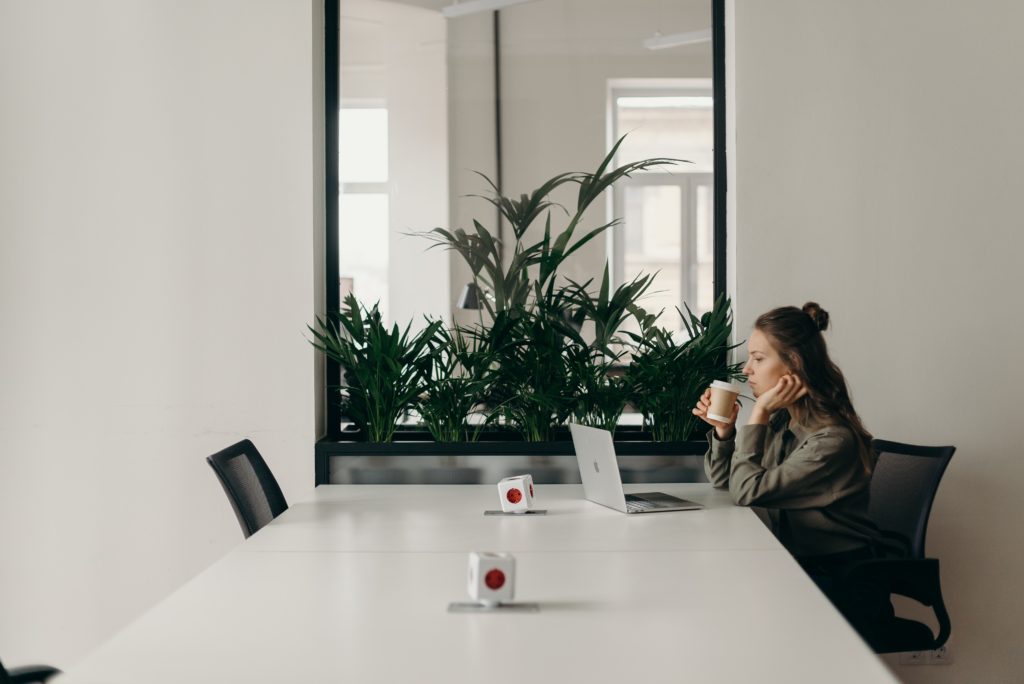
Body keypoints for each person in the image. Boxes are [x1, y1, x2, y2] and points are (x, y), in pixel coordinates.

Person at [693, 302, 892, 598]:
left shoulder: (831, 441)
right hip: (799, 567)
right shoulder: (784, 422)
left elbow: (745, 491)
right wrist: (724, 432)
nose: (747, 369)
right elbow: (727, 484)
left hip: (839, 583)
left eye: (758, 359)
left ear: (794, 364)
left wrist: (759, 413)